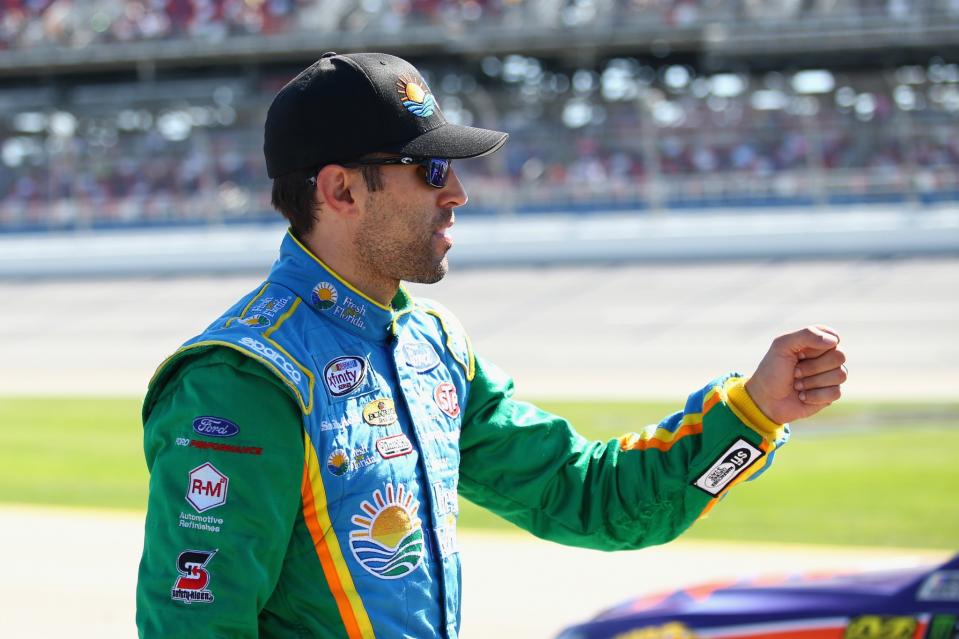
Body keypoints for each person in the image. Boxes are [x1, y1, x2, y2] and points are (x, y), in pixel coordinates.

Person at [135, 52, 848, 638]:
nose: (457, 194)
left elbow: (587, 497)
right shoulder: (243, 378)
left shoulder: (432, 345)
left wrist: (753, 412)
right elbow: (193, 625)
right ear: (342, 190)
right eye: (431, 169)